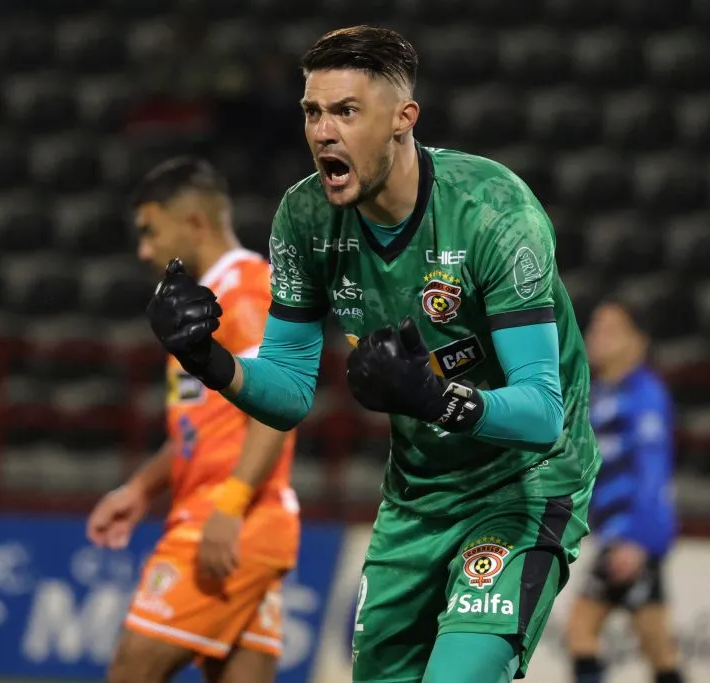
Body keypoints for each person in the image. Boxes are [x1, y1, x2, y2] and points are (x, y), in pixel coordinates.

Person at [144, 26, 601, 683]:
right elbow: (291, 392)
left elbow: (541, 413)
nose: (323, 132)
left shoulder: (493, 212)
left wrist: (431, 395)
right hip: (416, 499)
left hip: (524, 487)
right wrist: (206, 358)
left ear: (402, 120)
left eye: (346, 111)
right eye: (312, 111)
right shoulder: (304, 219)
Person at [86, 157, 299, 683]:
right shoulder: (204, 304)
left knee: (130, 671)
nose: (143, 250)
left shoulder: (244, 292)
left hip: (227, 518)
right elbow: (199, 429)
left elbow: (279, 408)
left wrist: (229, 507)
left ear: (195, 224)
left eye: (150, 231)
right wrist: (140, 488)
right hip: (242, 522)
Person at [567, 297, 682, 683]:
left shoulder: (644, 395)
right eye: (594, 328)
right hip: (617, 536)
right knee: (658, 648)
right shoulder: (600, 393)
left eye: (609, 330)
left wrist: (636, 540)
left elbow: (653, 473)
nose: (595, 337)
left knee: (581, 630)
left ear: (637, 342)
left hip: (633, 539)